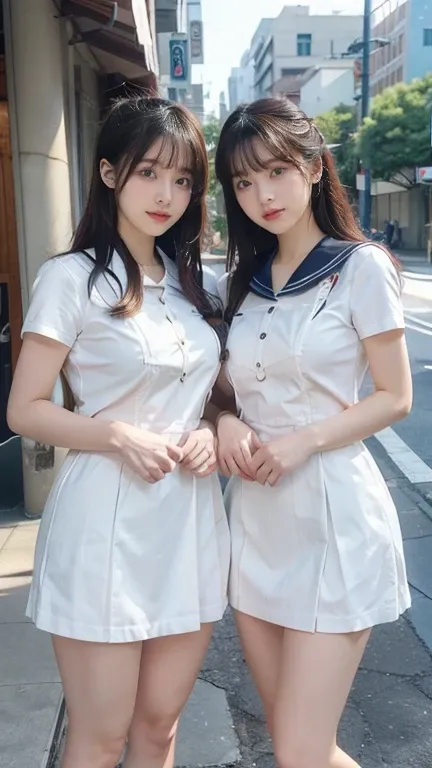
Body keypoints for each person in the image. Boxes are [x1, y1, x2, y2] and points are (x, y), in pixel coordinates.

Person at [7, 96, 230, 768]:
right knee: (101, 738)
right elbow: (24, 409)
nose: (167, 194)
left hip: (189, 521)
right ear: (109, 173)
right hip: (104, 524)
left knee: (160, 728)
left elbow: (215, 398)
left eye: (184, 179)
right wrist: (116, 436)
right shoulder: (69, 278)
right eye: (149, 173)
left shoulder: (198, 285)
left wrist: (213, 434)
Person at [212, 98, 412, 768]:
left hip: (333, 523)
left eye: (274, 170)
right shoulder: (242, 283)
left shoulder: (360, 267)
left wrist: (301, 441)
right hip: (258, 527)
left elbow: (395, 396)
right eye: (242, 181)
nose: (261, 194)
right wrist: (231, 421)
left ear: (311, 164)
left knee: (298, 751)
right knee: (301, 744)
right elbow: (225, 390)